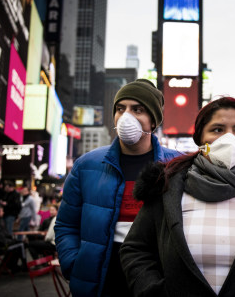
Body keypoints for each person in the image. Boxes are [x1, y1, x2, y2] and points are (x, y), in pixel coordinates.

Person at [119, 96, 235, 297]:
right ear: (200, 138)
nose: (229, 138)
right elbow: (135, 249)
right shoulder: (166, 186)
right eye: (217, 129)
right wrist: (154, 291)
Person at [55, 79, 180, 297]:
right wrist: (73, 264)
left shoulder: (177, 166)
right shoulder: (86, 165)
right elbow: (66, 224)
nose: (126, 116)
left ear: (153, 122)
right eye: (120, 109)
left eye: (137, 109)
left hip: (156, 275)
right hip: (101, 278)